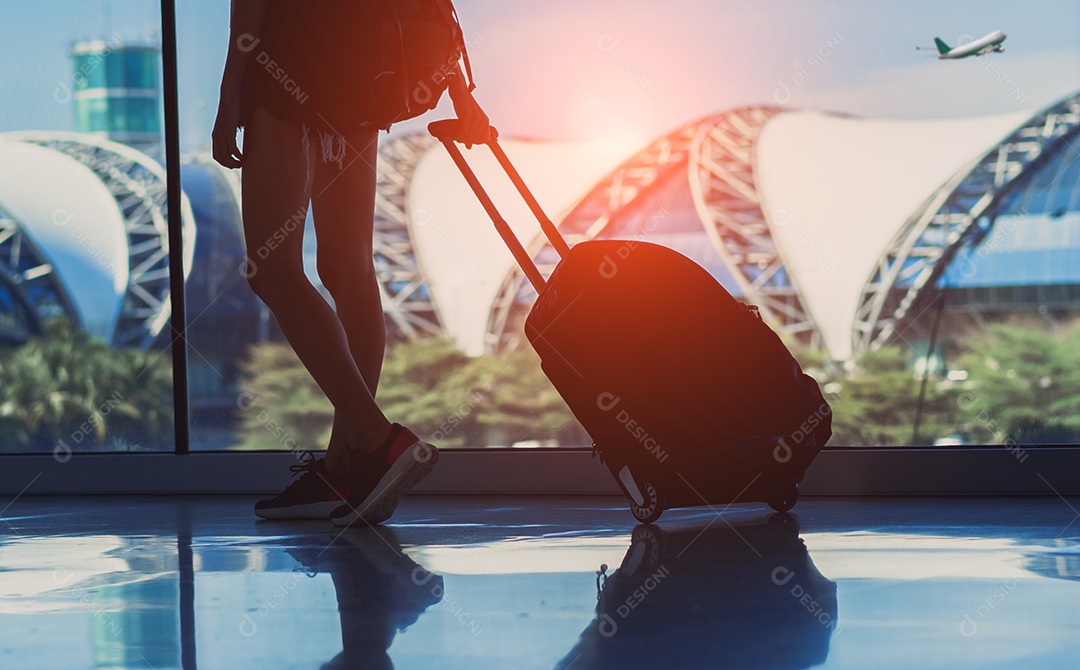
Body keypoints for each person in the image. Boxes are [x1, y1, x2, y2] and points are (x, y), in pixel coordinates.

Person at [212, 0, 490, 525]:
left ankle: (375, 438)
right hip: (364, 73)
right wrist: (462, 93)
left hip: (292, 63)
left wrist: (231, 95)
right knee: (349, 270)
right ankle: (346, 469)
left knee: (272, 269)